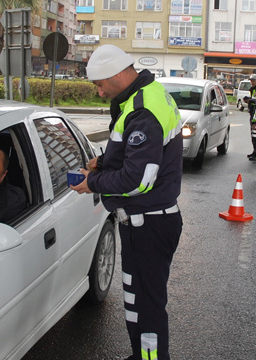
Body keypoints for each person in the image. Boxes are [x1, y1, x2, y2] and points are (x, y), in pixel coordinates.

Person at [70, 44, 183, 360]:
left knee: (146, 308)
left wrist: (91, 182)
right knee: (137, 299)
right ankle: (142, 356)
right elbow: (139, 156)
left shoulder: (143, 110)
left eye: (99, 83)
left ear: (116, 74)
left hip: (149, 223)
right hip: (144, 222)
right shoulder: (143, 96)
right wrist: (103, 163)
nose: (99, 90)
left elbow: (137, 180)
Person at [243, 74, 256, 161]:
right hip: (253, 113)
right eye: (251, 80)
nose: (251, 82)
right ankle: (255, 151)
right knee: (253, 135)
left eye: (253, 80)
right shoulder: (253, 89)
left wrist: (250, 100)